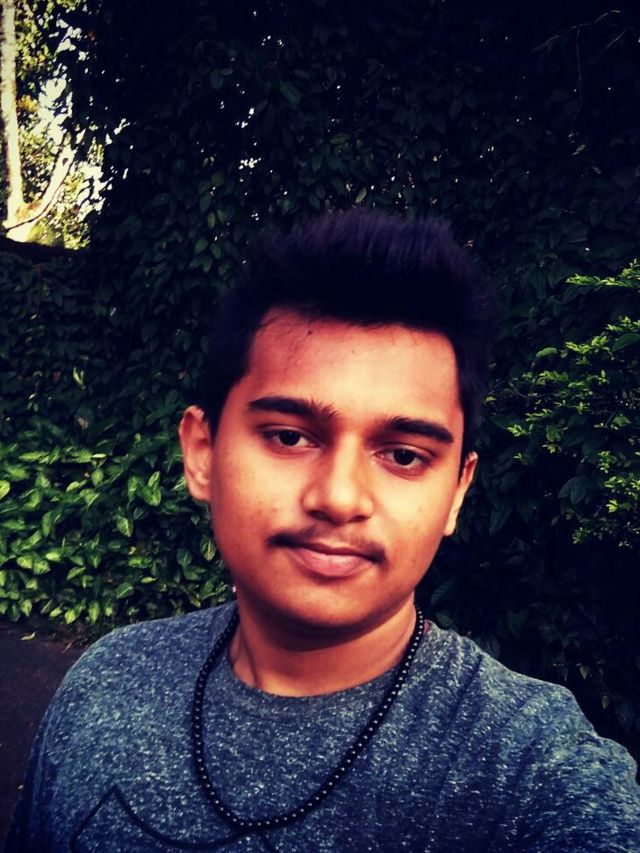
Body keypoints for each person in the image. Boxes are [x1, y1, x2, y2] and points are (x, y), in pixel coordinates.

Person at [6, 210, 639, 852]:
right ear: (202, 452)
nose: (339, 498)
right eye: (289, 437)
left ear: (456, 492)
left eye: (404, 455)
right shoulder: (106, 682)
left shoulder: (530, 772)